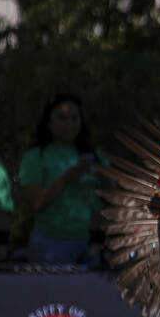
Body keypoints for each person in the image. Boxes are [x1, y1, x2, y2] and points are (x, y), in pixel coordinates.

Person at [18, 93, 102, 265]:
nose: (69, 124)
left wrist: (105, 177)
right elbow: (36, 202)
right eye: (62, 118)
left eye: (74, 118)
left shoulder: (95, 157)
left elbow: (115, 199)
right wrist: (66, 178)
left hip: (92, 243)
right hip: (51, 244)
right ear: (49, 122)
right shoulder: (36, 157)